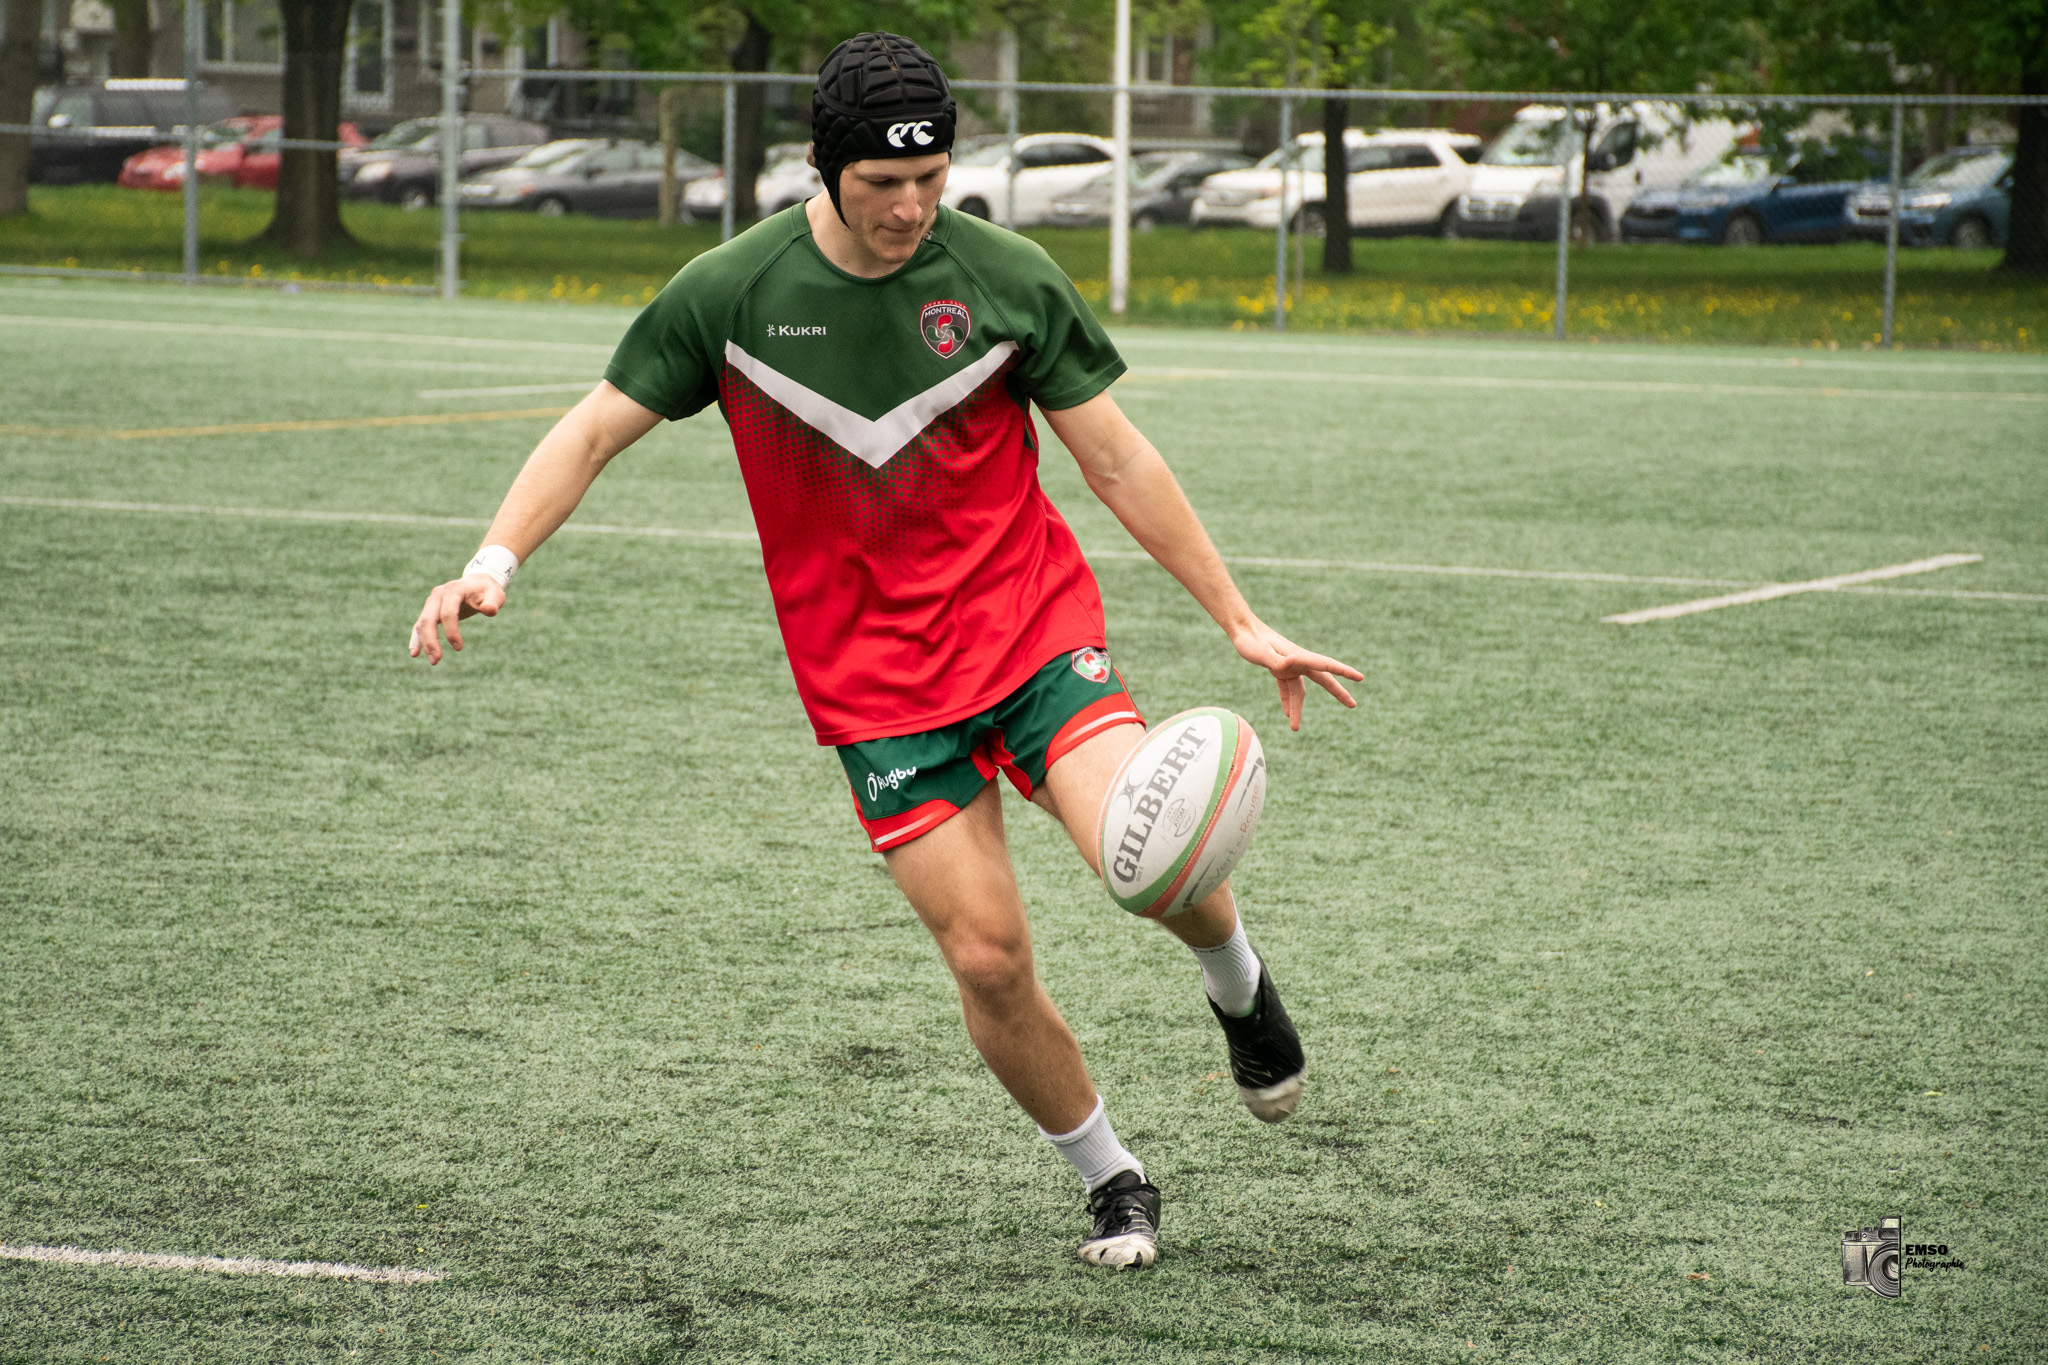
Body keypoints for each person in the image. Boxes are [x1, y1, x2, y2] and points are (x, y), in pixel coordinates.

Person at [409, 31, 1360, 1271]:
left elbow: (1115, 458)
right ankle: (1114, 1178)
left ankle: (1235, 981)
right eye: (882, 186)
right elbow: (591, 432)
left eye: (931, 179)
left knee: (1144, 847)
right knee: (987, 954)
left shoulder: (1006, 277)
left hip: (1027, 629)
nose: (912, 208)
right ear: (826, 170)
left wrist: (1235, 616)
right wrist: (491, 564)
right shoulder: (732, 293)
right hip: (875, 689)